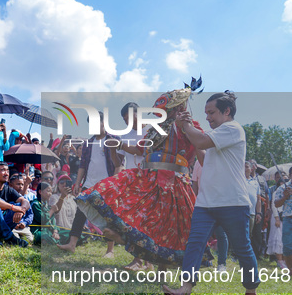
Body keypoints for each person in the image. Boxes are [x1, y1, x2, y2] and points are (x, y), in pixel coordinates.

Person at [75, 93, 203, 272]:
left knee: (167, 226)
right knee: (150, 221)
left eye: (166, 110)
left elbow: (201, 151)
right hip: (151, 179)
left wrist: (187, 126)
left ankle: (160, 271)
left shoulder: (188, 126)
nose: (162, 113)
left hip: (175, 183)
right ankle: (137, 254)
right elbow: (139, 149)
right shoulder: (156, 128)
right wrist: (119, 145)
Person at [163, 91, 260, 295]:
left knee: (242, 246)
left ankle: (251, 293)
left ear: (227, 111)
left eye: (211, 112)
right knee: (195, 243)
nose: (207, 117)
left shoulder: (233, 129)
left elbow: (202, 140)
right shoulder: (217, 133)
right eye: (206, 113)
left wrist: (187, 128)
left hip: (232, 201)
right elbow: (204, 157)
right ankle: (185, 289)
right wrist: (186, 129)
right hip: (206, 202)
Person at [58, 112, 122, 258]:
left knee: (108, 215)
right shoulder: (87, 143)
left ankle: (110, 250)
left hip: (107, 184)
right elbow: (83, 165)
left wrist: (115, 183)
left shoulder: (114, 140)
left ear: (103, 122)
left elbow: (120, 163)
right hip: (89, 183)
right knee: (80, 212)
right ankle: (72, 244)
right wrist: (77, 183)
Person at [9, 173, 34, 242]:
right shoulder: (8, 198)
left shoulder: (25, 200)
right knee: (15, 239)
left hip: (23, 227)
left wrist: (25, 223)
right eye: (18, 184)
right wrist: (13, 224)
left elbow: (30, 214)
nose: (20, 186)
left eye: (22, 184)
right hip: (12, 227)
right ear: (11, 185)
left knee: (30, 240)